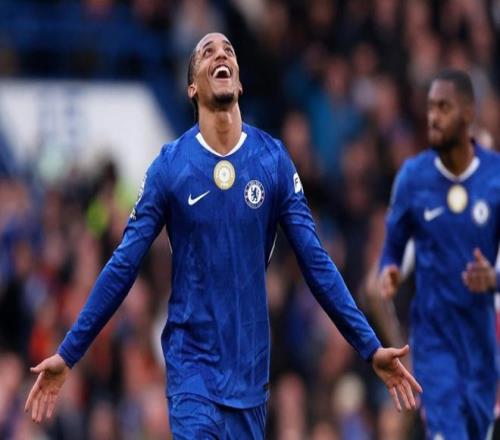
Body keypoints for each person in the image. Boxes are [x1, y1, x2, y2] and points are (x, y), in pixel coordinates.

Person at [25, 33, 421, 438]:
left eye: (228, 51)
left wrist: (369, 346)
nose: (221, 55)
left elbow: (316, 263)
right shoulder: (170, 166)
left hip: (250, 376)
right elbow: (123, 264)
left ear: (239, 81)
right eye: (207, 52)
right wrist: (69, 353)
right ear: (192, 87)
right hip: (192, 372)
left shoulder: (272, 160)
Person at [378, 68, 499, 440]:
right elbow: (391, 250)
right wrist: (389, 269)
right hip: (434, 341)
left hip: (481, 344)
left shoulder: (495, 178)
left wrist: (494, 279)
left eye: (443, 107)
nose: (433, 116)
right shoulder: (413, 179)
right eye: (431, 107)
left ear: (468, 113)